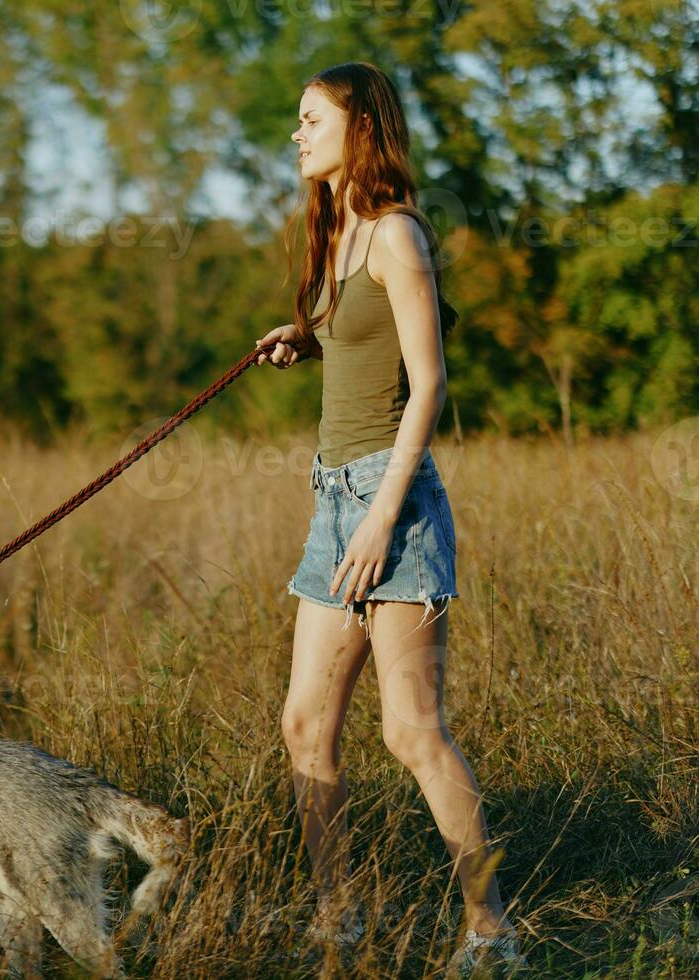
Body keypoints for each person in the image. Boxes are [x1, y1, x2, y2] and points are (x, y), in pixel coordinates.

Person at [254, 62, 526, 975]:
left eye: (309, 121)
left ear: (358, 126)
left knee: (411, 730)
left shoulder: (398, 233)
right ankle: (338, 918)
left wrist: (381, 520)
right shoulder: (335, 233)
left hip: (394, 506)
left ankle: (492, 932)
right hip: (333, 497)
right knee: (304, 726)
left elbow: (430, 384)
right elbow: (363, 343)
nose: (296, 136)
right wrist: (307, 331)